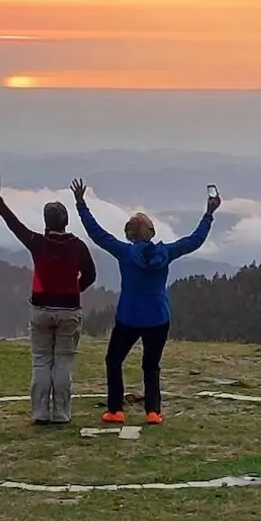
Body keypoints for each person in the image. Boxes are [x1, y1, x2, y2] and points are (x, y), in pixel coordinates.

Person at [70, 178, 220, 425]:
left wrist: (81, 204)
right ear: (152, 232)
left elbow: (96, 234)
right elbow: (195, 240)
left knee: (114, 360)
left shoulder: (124, 252)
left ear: (128, 235)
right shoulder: (167, 252)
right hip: (158, 317)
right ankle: (153, 412)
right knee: (151, 365)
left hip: (128, 316)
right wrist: (209, 214)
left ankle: (116, 410)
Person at [0, 175, 97, 425]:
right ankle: (61, 413)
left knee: (41, 361)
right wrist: (74, 289)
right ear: (66, 221)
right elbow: (91, 275)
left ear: (46, 222)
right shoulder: (78, 246)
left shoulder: (38, 242)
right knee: (63, 361)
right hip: (69, 310)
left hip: (40, 309)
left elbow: (13, 224)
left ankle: (39, 413)